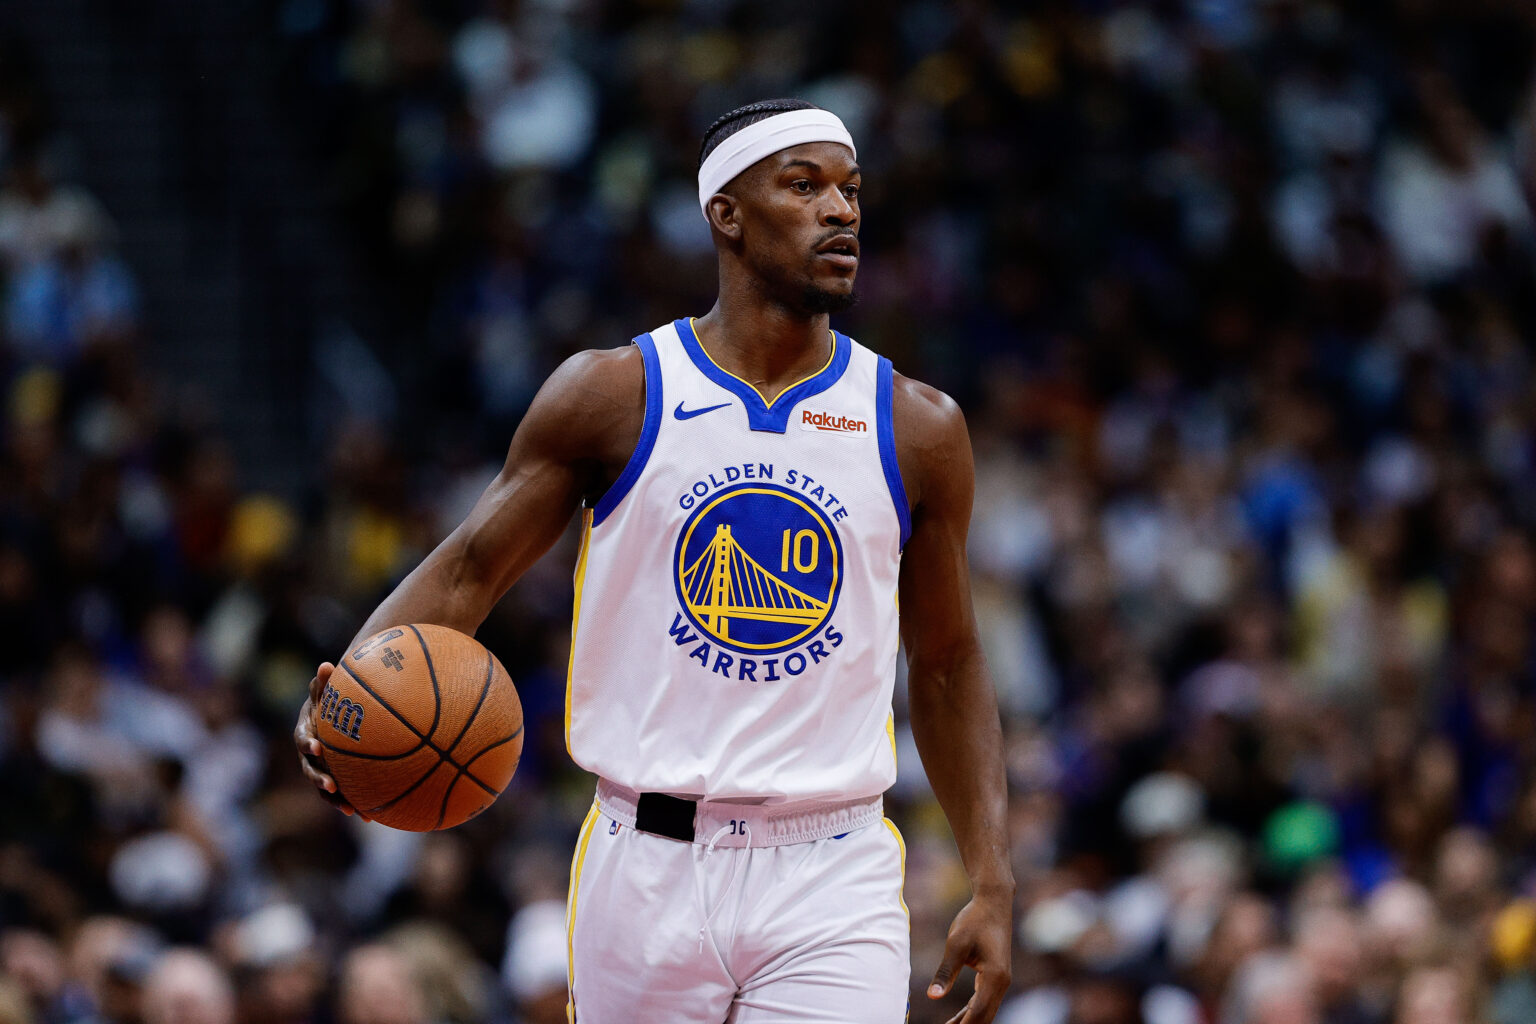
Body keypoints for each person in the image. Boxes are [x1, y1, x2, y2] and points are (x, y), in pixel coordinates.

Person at [294, 98, 1013, 1023]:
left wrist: (992, 877)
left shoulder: (917, 424)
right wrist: (348, 691)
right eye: (804, 186)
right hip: (644, 859)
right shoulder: (616, 394)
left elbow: (950, 660)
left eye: (851, 189)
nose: (842, 210)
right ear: (727, 213)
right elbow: (471, 567)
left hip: (830, 868)